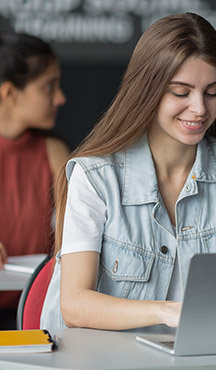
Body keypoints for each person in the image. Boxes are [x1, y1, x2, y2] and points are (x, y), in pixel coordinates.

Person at [41, 13, 216, 332]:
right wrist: (166, 312)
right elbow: (75, 305)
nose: (200, 108)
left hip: (208, 353)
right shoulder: (95, 175)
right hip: (107, 359)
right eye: (181, 92)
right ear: (148, 89)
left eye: (212, 92)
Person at [0, 32, 69, 328]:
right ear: (10, 94)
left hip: (36, 316)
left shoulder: (55, 153)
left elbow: (72, 247)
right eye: (48, 87)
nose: (60, 98)